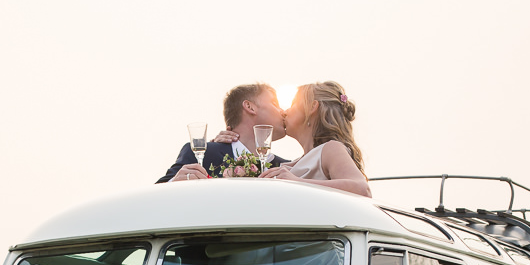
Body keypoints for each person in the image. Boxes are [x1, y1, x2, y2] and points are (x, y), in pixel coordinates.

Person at [157, 83, 291, 183]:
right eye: (275, 103)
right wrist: (174, 182)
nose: (282, 111)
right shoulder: (204, 154)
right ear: (250, 107)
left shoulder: (287, 168)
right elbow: (156, 195)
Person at [257, 81, 371, 197]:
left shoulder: (331, 148)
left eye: (293, 104)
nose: (285, 112)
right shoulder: (298, 161)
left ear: (312, 107)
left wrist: (297, 182)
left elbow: (362, 189)